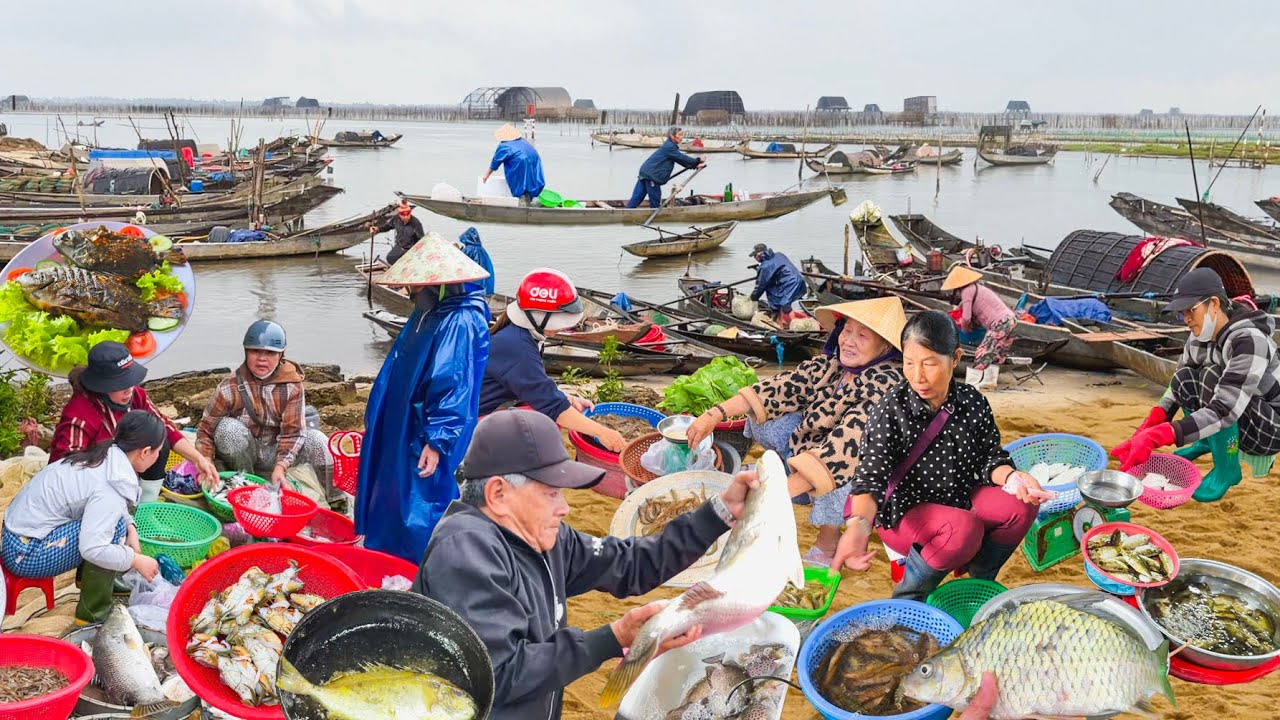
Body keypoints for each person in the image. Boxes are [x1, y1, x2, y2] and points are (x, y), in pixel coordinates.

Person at [413, 410, 759, 720]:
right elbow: (499, 674)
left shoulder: (545, 537)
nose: (564, 507)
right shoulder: (464, 551)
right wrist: (613, 638)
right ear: (498, 494)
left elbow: (630, 564)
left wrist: (719, 513)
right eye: (551, 493)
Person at [830, 310, 1052, 601]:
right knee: (964, 528)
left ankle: (979, 580)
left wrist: (1013, 476)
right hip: (904, 511)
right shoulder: (891, 410)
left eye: (930, 363)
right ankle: (910, 595)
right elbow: (871, 478)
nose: (918, 376)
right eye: (909, 364)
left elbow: (989, 457)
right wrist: (858, 526)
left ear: (956, 358)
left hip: (958, 497)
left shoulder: (973, 402)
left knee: (1020, 505)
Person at [685, 297, 907, 566]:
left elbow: (839, 452)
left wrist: (768, 499)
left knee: (839, 474)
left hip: (869, 475)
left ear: (885, 346)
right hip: (817, 446)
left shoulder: (885, 386)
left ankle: (827, 543)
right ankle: (789, 479)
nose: (849, 340)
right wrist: (714, 415)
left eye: (862, 335)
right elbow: (774, 389)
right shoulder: (832, 366)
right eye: (847, 330)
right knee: (765, 416)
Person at [356, 232, 493, 564]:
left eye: (416, 286)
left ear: (440, 284)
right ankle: (385, 555)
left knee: (420, 501)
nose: (410, 291)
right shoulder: (429, 312)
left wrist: (438, 439)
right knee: (393, 491)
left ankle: (417, 567)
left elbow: (453, 383)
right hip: (403, 423)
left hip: (426, 431)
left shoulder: (461, 319)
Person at [1112, 268, 1280, 502]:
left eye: (1191, 310)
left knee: (1212, 374)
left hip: (1270, 426)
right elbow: (1178, 381)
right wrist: (1154, 420)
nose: (1186, 318)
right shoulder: (1199, 335)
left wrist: (1161, 436)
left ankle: (1227, 469)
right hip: (1239, 411)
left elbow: (1225, 410)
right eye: (1182, 312)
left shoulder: (1248, 339)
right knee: (1184, 378)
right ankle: (1205, 440)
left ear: (1213, 304)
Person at [2, 411, 164, 625]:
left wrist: (130, 527)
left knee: (115, 524)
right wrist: (135, 559)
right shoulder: (110, 484)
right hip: (25, 554)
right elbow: (93, 548)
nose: (158, 458)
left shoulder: (106, 455)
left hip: (19, 535)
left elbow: (108, 505)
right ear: (144, 452)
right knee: (109, 534)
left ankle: (91, 580)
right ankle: (91, 615)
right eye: (158, 452)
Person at [479, 268, 626, 452]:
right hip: (475, 424)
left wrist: (567, 397)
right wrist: (603, 433)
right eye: (559, 322)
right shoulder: (517, 347)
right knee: (545, 425)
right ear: (538, 316)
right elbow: (553, 407)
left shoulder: (519, 333)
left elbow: (534, 385)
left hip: (497, 407)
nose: (560, 329)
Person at [196, 320, 340, 508]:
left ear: (281, 355)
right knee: (227, 429)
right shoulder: (229, 387)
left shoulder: (292, 386)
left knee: (319, 441)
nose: (262, 359)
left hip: (278, 453)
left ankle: (336, 501)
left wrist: (280, 466)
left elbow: (293, 433)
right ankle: (245, 485)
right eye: (255, 351)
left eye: (270, 353)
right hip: (246, 453)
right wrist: (205, 460)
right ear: (246, 352)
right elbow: (205, 430)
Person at [52, 341, 217, 486]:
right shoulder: (79, 416)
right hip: (93, 480)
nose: (129, 390)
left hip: (129, 468)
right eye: (120, 385)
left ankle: (146, 501)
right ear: (100, 385)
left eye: (130, 382)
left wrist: (198, 459)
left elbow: (164, 425)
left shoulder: (136, 394)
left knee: (158, 436)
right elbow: (65, 470)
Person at [942, 265, 1017, 390]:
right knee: (997, 352)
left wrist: (964, 330)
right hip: (1011, 319)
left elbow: (966, 317)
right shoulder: (977, 288)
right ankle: (989, 382)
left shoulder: (967, 291)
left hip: (1000, 323)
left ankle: (971, 384)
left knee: (984, 350)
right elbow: (965, 305)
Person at [625, 126, 705, 209]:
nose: (682, 137)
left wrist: (695, 165)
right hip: (652, 176)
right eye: (680, 135)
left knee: (637, 198)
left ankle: (627, 213)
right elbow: (682, 157)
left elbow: (680, 160)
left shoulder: (670, 147)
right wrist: (698, 160)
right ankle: (656, 219)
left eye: (682, 135)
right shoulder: (669, 147)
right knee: (655, 202)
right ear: (672, 136)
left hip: (645, 173)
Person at [483, 123, 545, 204]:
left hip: (520, 160)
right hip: (534, 158)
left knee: (518, 181)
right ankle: (531, 198)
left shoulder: (504, 145)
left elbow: (495, 162)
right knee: (530, 179)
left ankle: (522, 200)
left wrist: (486, 175)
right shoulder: (522, 140)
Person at [748, 243, 807, 326]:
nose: (755, 259)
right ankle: (781, 322)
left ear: (759, 255)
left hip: (790, 282)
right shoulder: (779, 255)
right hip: (798, 278)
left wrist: (753, 297)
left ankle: (797, 326)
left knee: (785, 304)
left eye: (755, 256)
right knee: (779, 300)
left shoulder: (765, 266)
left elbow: (761, 286)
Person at [368, 199, 425, 266]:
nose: (406, 217)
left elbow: (422, 240)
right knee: (390, 258)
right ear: (399, 215)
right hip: (399, 246)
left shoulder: (416, 223)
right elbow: (387, 227)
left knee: (408, 262)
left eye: (408, 215)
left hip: (410, 249)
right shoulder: (396, 219)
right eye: (403, 215)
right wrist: (377, 229)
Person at [457, 226, 495, 296]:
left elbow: (460, 262)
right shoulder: (482, 250)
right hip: (484, 281)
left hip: (473, 280)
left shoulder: (469, 249)